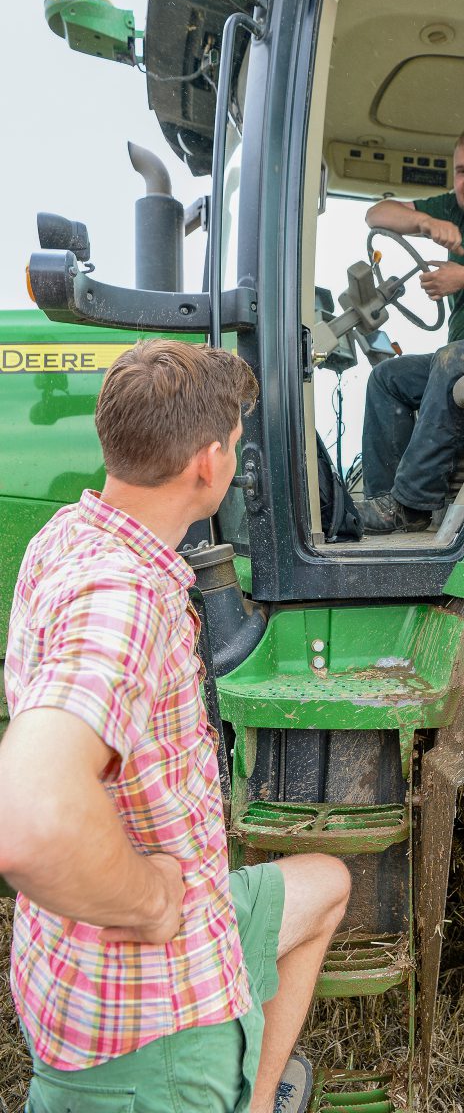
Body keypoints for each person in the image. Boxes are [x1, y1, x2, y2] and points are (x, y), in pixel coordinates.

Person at [0, 340, 350, 1113]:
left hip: (148, 937)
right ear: (209, 463)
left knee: (327, 884)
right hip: (152, 1032)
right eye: (233, 442)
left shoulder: (67, 536)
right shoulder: (125, 598)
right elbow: (28, 824)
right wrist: (155, 904)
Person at [357, 122, 464, 534]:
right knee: (388, 377)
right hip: (463, 359)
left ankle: (413, 502)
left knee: (451, 358)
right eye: (461, 171)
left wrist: (462, 277)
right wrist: (424, 222)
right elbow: (376, 213)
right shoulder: (458, 209)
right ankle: (384, 505)